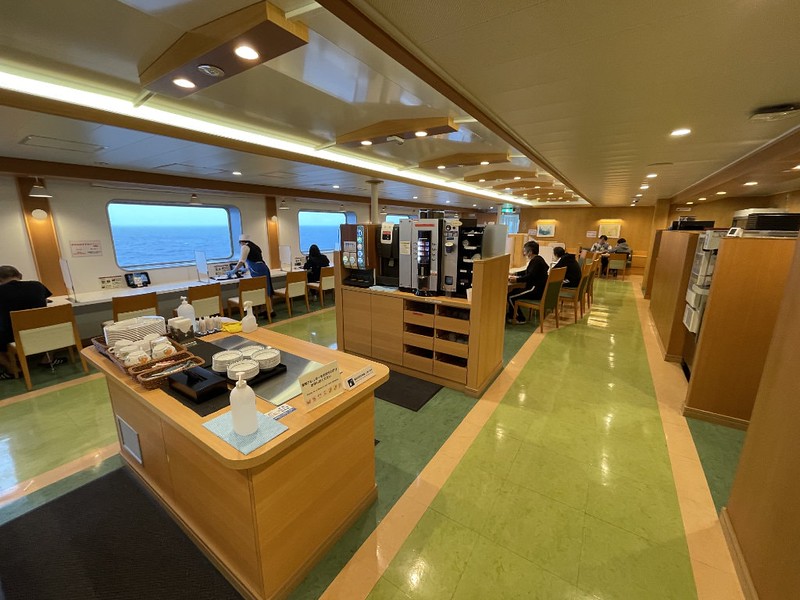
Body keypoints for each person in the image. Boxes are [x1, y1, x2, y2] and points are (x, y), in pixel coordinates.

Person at [0, 266, 61, 379]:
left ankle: (12, 369)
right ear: (19, 275)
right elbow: (43, 300)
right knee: (57, 327)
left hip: (12, 336)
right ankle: (48, 359)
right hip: (41, 332)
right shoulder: (37, 286)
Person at [506, 240, 549, 324]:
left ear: (530, 252)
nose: (524, 253)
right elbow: (528, 272)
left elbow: (530, 276)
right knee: (514, 291)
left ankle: (520, 318)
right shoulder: (539, 259)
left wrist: (516, 279)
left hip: (535, 290)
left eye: (525, 251)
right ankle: (512, 315)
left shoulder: (535, 261)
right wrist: (515, 274)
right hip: (539, 289)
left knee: (510, 296)